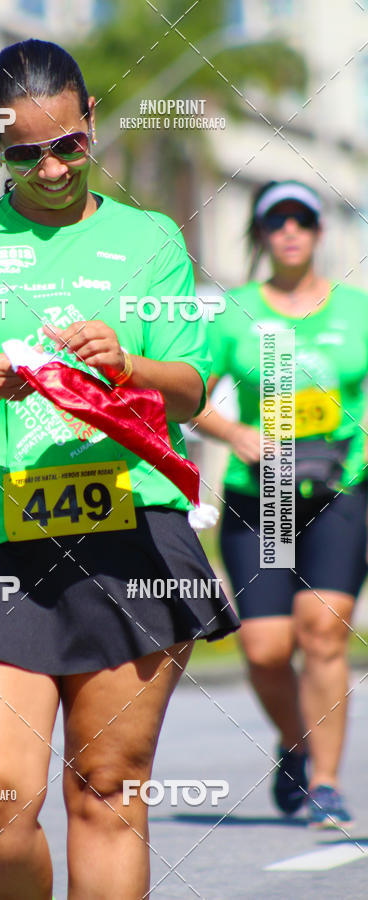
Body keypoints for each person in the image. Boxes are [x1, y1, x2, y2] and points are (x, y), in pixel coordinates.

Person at [0, 39, 239, 897]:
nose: (50, 168)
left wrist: (129, 367)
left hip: (133, 534)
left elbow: (193, 389)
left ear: (91, 124)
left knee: (108, 791)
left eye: (67, 145)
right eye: (24, 152)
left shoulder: (151, 240)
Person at [194, 180, 368, 828]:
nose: (290, 231)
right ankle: (296, 743)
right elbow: (189, 394)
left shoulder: (357, 310)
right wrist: (234, 432)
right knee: (266, 647)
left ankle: (326, 780)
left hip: (339, 491)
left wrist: (361, 442)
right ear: (262, 235)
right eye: (276, 222)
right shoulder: (233, 312)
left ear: (319, 232)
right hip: (259, 499)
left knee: (323, 631)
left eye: (302, 220)